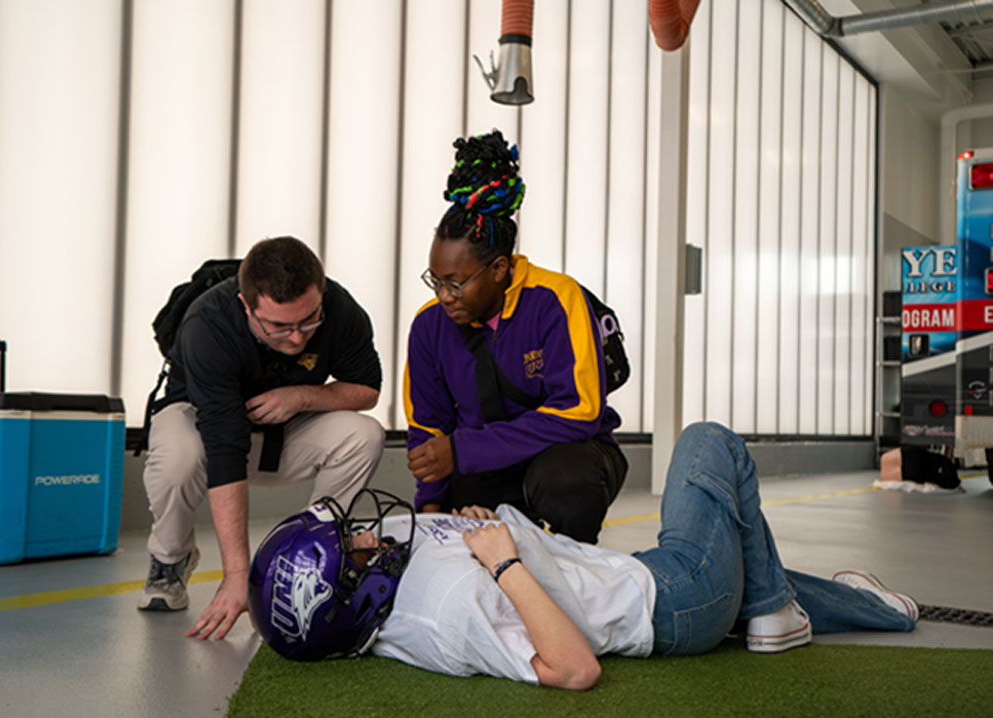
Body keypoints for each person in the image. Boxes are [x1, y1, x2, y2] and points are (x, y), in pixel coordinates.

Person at [249, 422, 917, 690]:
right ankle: (770, 610)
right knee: (708, 444)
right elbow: (572, 669)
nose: (364, 534)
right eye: (352, 549)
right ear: (347, 600)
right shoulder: (446, 616)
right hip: (675, 603)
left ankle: (876, 609)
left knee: (745, 568)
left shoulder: (385, 573)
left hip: (638, 579)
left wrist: (472, 522)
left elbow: (431, 543)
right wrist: (505, 563)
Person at [139, 236, 385, 642]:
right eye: (278, 326)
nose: (296, 338)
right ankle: (170, 558)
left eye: (308, 320)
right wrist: (238, 578)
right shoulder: (208, 325)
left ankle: (310, 559)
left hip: (282, 427)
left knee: (365, 435)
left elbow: (367, 389)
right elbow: (224, 446)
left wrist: (303, 395)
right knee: (180, 454)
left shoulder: (340, 308)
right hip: (204, 431)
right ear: (245, 304)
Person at [404, 130, 626, 544]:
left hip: (567, 456)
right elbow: (427, 427)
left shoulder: (556, 299)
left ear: (499, 268)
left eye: (455, 283)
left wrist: (465, 450)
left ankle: (577, 565)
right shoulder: (429, 325)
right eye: (435, 280)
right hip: (486, 463)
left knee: (565, 479)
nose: (443, 296)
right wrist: (431, 517)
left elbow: (579, 412)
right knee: (462, 513)